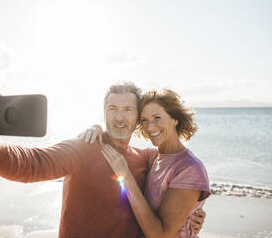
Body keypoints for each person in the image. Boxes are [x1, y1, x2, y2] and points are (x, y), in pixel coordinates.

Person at [0, 83, 205, 238]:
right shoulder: (84, 147)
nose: (119, 118)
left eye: (128, 110)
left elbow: (175, 174)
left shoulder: (145, 158)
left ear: (138, 118)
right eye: (112, 109)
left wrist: (192, 215)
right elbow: (34, 164)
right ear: (104, 112)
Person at [82, 88, 210, 238]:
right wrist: (98, 130)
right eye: (144, 120)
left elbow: (160, 235)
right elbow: (120, 150)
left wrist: (126, 177)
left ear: (175, 119)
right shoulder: (152, 157)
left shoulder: (190, 168)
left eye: (157, 117)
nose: (150, 127)